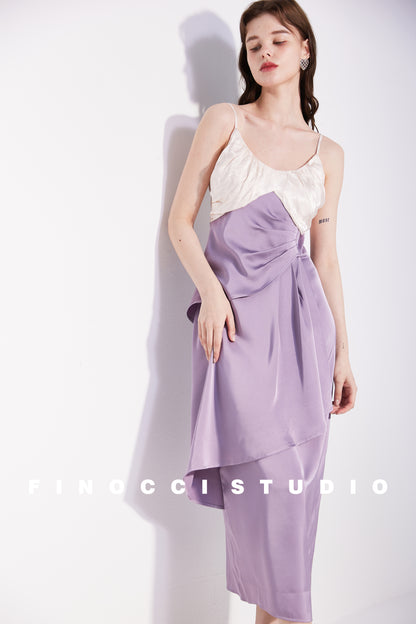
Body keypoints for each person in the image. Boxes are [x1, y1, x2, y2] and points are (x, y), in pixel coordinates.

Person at [168, 1, 357, 622]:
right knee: (261, 506)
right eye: (253, 45)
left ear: (305, 49)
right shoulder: (224, 120)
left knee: (293, 515)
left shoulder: (329, 153)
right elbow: (180, 223)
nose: (266, 51)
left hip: (303, 339)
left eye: (279, 39)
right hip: (235, 333)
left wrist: (343, 354)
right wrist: (211, 293)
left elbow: (325, 259)